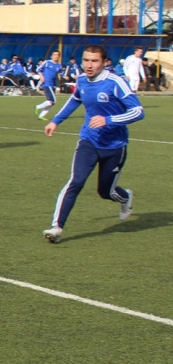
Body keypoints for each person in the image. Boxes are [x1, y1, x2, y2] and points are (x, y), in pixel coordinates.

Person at [41, 45, 143, 243]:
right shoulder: (81, 80)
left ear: (104, 63)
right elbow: (74, 100)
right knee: (75, 181)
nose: (89, 65)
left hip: (115, 146)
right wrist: (55, 121)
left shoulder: (115, 82)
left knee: (106, 192)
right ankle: (57, 227)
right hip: (88, 141)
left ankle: (125, 197)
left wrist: (109, 120)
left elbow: (138, 111)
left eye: (94, 61)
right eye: (86, 60)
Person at [34, 50, 62, 119]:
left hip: (52, 85)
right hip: (46, 84)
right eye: (54, 54)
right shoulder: (47, 62)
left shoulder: (59, 66)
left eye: (57, 55)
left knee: (50, 102)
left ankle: (41, 116)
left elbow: (61, 73)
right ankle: (37, 107)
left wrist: (65, 76)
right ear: (51, 56)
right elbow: (38, 70)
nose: (56, 56)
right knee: (53, 101)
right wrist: (41, 76)